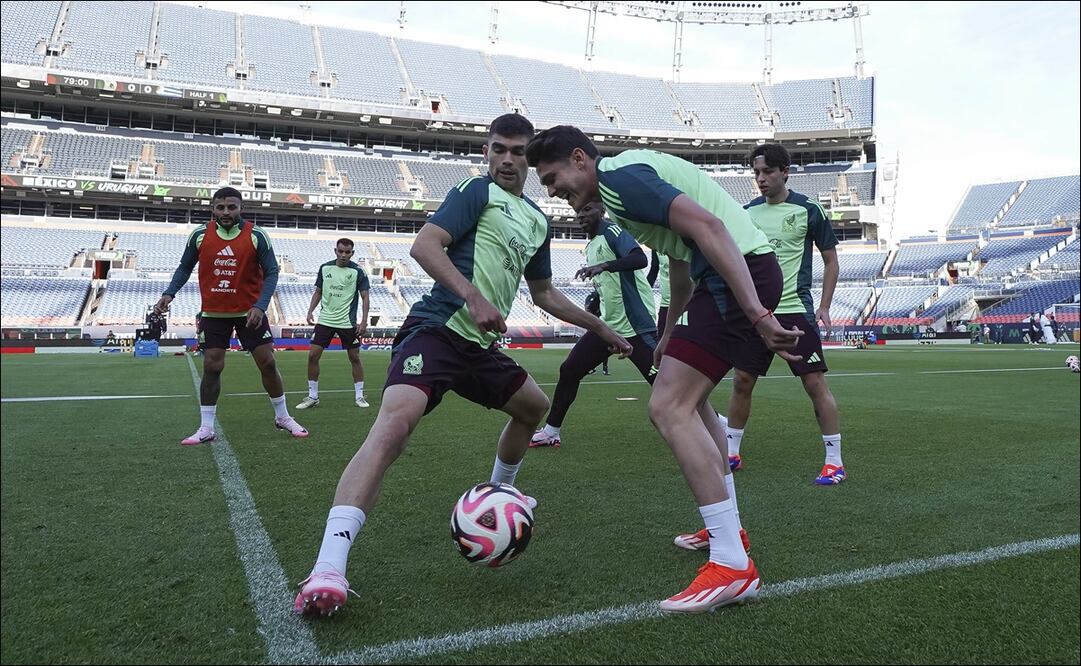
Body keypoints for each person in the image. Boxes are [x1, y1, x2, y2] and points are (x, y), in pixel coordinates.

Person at [293, 114, 632, 617]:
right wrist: (471, 296)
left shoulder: (537, 221)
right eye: (499, 149)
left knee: (532, 407)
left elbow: (542, 293)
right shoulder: (475, 191)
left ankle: (501, 492)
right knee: (393, 429)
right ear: (487, 152)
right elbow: (425, 245)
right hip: (436, 330)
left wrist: (599, 327)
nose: (508, 160)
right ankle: (328, 567)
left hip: (480, 346)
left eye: (518, 152)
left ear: (529, 157)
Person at [528, 125, 801, 614]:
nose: (552, 191)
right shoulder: (623, 183)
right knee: (688, 406)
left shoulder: (618, 178)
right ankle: (728, 532)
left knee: (668, 406)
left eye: (552, 178)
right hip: (725, 276)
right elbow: (681, 257)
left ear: (579, 159)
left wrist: (759, 314)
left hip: (739, 275)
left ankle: (732, 564)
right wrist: (672, 328)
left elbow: (712, 231)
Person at [713, 144, 844, 485]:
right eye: (756, 173)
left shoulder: (808, 210)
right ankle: (732, 452)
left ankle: (834, 461)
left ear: (785, 171)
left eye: (768, 172)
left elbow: (831, 261)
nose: (761, 179)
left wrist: (825, 305)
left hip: (794, 310)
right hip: (757, 314)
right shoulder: (747, 212)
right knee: (742, 382)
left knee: (814, 382)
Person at [154, 186, 308, 446]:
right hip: (214, 312)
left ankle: (283, 417)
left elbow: (272, 272)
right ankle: (206, 427)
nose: (226, 212)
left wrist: (260, 306)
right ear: (213, 208)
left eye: (231, 207)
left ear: (241, 208)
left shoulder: (257, 235)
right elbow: (184, 267)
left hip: (250, 312)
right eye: (220, 207)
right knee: (212, 366)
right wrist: (170, 293)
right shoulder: (200, 235)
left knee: (267, 363)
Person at [530, 200, 658, 448]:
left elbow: (639, 259)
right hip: (608, 327)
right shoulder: (591, 246)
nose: (581, 215)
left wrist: (603, 266)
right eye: (579, 211)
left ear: (602, 211)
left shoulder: (611, 231)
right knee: (569, 370)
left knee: (664, 384)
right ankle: (551, 431)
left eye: (588, 209)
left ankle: (716, 424)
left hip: (635, 325)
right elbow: (611, 286)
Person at [295, 239, 372, 410]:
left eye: (347, 252)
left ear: (352, 253)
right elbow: (318, 292)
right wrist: (310, 311)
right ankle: (313, 396)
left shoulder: (358, 271)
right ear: (335, 251)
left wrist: (364, 321)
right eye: (341, 251)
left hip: (347, 321)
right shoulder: (325, 268)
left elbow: (365, 296)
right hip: (325, 320)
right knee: (313, 356)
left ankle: (359, 396)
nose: (343, 255)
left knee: (354, 357)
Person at [583, 289, 609, 376]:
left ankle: (604, 368)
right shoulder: (592, 296)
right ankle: (592, 368)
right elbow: (588, 309)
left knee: (604, 348)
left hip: (602, 324)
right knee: (592, 348)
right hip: (595, 325)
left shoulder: (604, 294)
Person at [647, 249, 673, 333]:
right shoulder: (657, 246)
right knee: (661, 335)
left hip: (686, 302)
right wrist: (641, 293)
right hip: (665, 304)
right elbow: (653, 270)